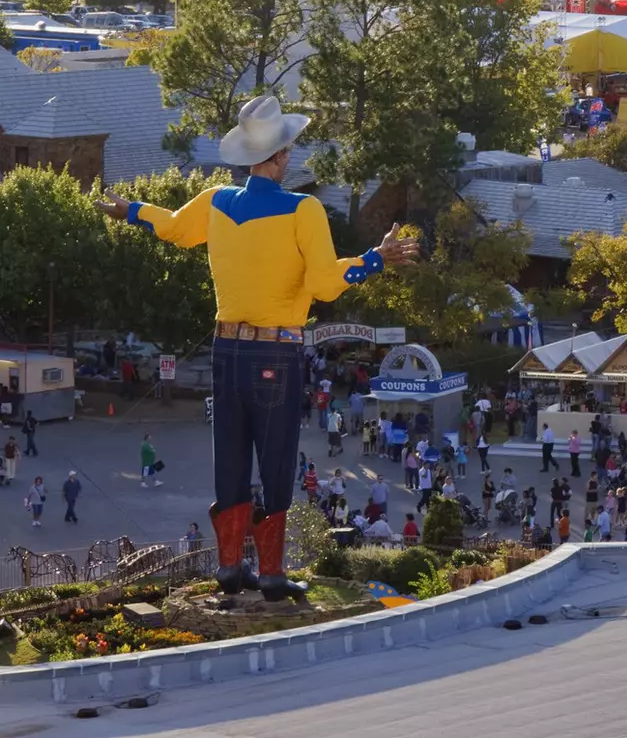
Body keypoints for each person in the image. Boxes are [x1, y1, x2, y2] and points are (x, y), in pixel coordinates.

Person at [100, 96, 419, 603]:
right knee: (274, 463)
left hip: (226, 350)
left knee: (228, 459)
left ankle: (230, 568)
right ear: (283, 155)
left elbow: (176, 228)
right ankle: (270, 572)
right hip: (276, 355)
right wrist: (374, 259)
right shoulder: (303, 209)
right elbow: (324, 283)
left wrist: (130, 210)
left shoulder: (217, 200)